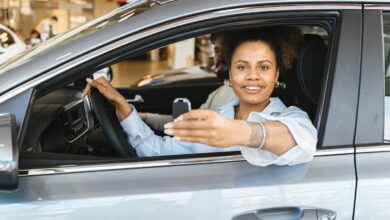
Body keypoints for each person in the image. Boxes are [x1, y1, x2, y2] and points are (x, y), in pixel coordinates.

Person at [83, 28, 317, 166]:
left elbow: (302, 140)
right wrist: (121, 105)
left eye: (264, 67)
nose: (252, 77)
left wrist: (241, 132)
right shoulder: (217, 116)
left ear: (276, 73)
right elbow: (159, 151)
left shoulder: (291, 116)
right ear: (231, 72)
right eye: (242, 67)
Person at [141, 32, 237, 131]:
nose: (220, 57)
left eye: (227, 50)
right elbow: (188, 124)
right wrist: (146, 117)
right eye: (217, 50)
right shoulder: (219, 92)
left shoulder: (240, 97)